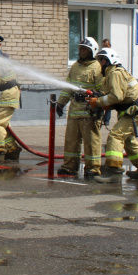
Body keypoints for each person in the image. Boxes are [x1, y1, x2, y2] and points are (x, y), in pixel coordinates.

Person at [90, 48, 138, 183]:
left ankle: (113, 172)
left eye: (101, 60)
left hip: (134, 112)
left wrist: (98, 102)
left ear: (107, 61)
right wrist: (97, 98)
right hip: (130, 112)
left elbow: (117, 96)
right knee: (128, 140)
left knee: (115, 136)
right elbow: (112, 96)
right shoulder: (110, 75)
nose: (99, 63)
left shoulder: (115, 74)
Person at [55, 37, 103, 178]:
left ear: (92, 51)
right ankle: (69, 166)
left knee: (91, 141)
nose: (81, 51)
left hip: (89, 111)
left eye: (85, 49)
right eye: (80, 49)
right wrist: (61, 103)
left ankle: (93, 169)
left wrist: (99, 106)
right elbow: (68, 88)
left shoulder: (97, 68)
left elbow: (102, 90)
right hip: (74, 110)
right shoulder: (75, 66)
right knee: (71, 141)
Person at [100, 39, 113, 129]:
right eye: (104, 45)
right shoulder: (101, 55)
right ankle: (100, 119)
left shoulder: (112, 55)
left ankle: (106, 120)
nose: (105, 47)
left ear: (110, 45)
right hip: (102, 81)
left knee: (109, 101)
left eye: (106, 45)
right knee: (102, 101)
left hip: (110, 81)